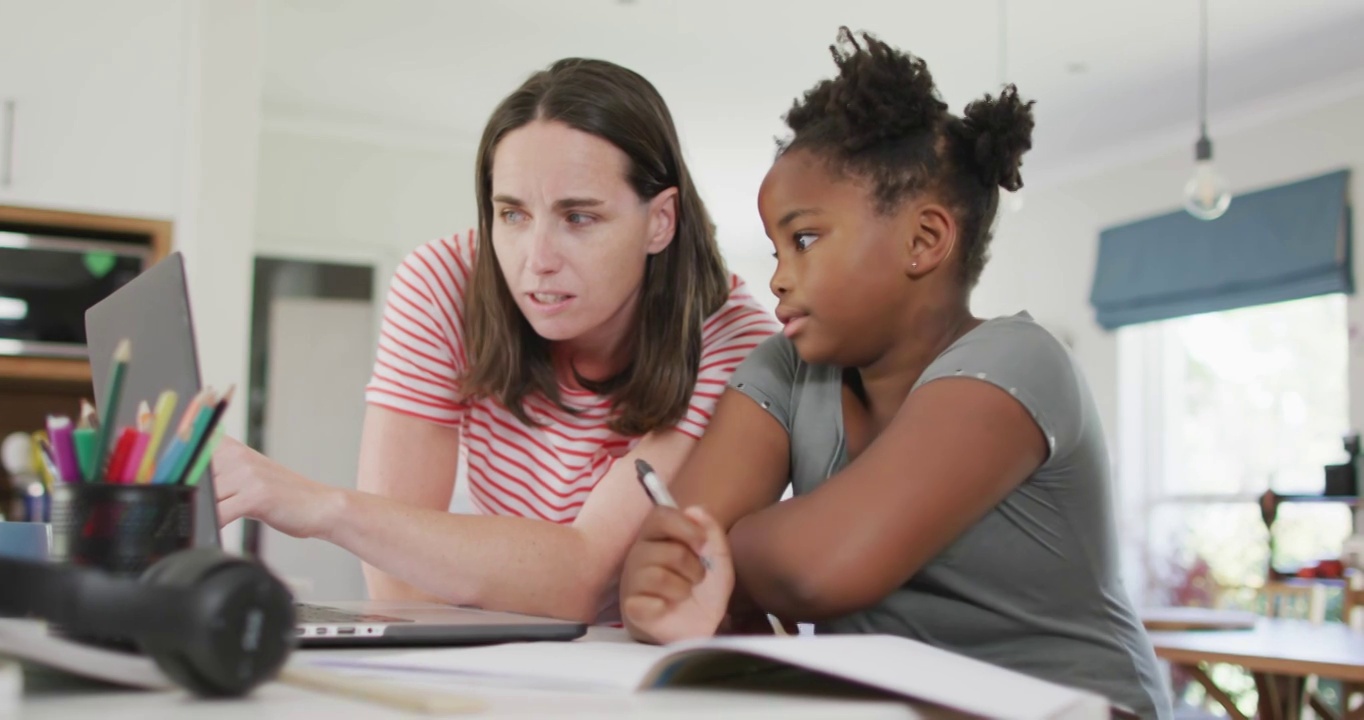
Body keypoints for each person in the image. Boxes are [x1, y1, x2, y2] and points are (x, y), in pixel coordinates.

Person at [618, 29, 1173, 719]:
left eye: (806, 238)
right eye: (775, 248)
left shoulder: (1018, 362)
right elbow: (667, 576)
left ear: (924, 240)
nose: (779, 277)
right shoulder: (785, 368)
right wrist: (690, 571)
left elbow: (817, 569)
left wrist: (713, 560)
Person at [213, 57, 779, 623]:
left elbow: (582, 580)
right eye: (512, 214)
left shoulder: (732, 345)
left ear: (660, 220)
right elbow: (396, 586)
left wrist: (324, 508)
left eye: (578, 218)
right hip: (498, 656)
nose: (536, 262)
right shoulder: (444, 284)